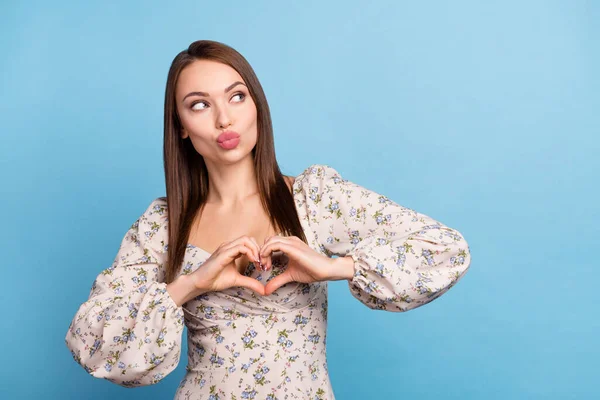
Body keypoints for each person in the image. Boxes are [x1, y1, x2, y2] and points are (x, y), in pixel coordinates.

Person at [65, 39, 472, 400]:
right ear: (182, 128)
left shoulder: (314, 199)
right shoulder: (163, 225)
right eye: (200, 105)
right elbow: (94, 342)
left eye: (237, 96)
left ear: (257, 104)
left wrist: (335, 267)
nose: (224, 119)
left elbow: (446, 250)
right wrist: (190, 284)